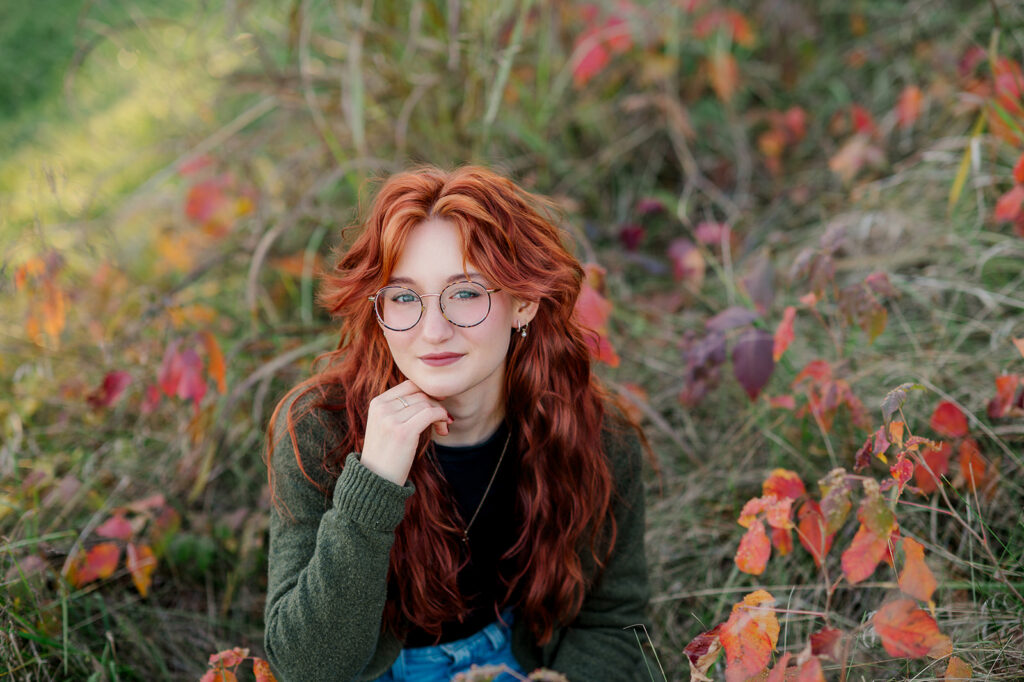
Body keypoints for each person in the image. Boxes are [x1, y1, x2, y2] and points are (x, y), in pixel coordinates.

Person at [263, 165, 651, 682]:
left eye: (465, 292)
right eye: (403, 297)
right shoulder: (319, 429)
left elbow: (613, 621)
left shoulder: (595, 437)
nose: (433, 331)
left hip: (517, 659)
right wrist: (372, 484)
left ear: (524, 302)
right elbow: (307, 669)